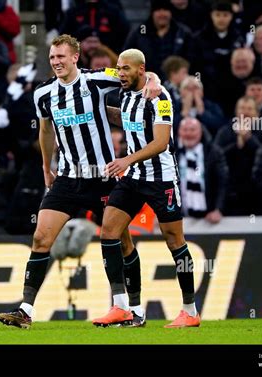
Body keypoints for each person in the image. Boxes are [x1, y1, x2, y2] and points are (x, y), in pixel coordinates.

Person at [0, 34, 162, 329]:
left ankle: (134, 309)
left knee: (123, 242)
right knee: (41, 238)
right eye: (52, 57)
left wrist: (153, 80)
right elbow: (45, 130)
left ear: (75, 57)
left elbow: (133, 70)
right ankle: (25, 311)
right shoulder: (43, 93)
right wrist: (47, 166)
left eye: (61, 56)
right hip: (68, 179)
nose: (56, 62)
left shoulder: (97, 79)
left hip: (103, 178)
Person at [91, 49, 200, 328]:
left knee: (174, 241)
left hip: (161, 179)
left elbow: (161, 142)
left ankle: (190, 310)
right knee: (109, 232)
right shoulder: (125, 91)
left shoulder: (160, 97)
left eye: (126, 69)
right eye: (118, 68)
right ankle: (127, 309)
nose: (120, 73)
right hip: (134, 177)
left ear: (141, 70)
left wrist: (126, 159)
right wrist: (96, 109)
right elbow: (122, 116)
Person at [176, 117, 229, 223]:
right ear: (179, 132)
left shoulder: (214, 152)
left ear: (201, 132)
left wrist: (218, 209)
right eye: (185, 130)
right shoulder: (171, 154)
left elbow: (223, 183)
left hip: (210, 219)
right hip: (180, 219)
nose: (188, 134)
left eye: (192, 130)